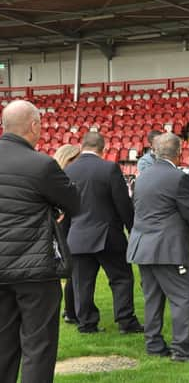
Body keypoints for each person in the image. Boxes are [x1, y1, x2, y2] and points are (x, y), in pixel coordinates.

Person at [0, 100, 80, 383]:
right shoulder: (41, 164)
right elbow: (74, 202)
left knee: (3, 347)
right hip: (35, 268)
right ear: (34, 126)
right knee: (38, 345)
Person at [127, 133, 189, 363]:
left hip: (142, 246)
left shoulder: (142, 176)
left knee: (153, 297)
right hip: (167, 247)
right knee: (185, 296)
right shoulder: (178, 177)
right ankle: (182, 349)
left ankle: (153, 344)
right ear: (179, 152)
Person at [65, 132, 143, 334]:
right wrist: (132, 228)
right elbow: (122, 203)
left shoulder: (69, 170)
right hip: (108, 235)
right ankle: (126, 321)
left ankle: (87, 324)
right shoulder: (109, 168)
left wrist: (65, 236)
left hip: (77, 236)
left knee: (82, 283)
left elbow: (65, 208)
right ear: (103, 148)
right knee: (121, 278)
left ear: (82, 147)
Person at [53, 144, 82, 325]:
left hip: (63, 226)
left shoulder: (55, 177)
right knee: (72, 271)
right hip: (64, 227)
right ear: (69, 159)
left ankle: (69, 310)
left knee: (71, 272)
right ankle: (71, 311)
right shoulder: (63, 180)